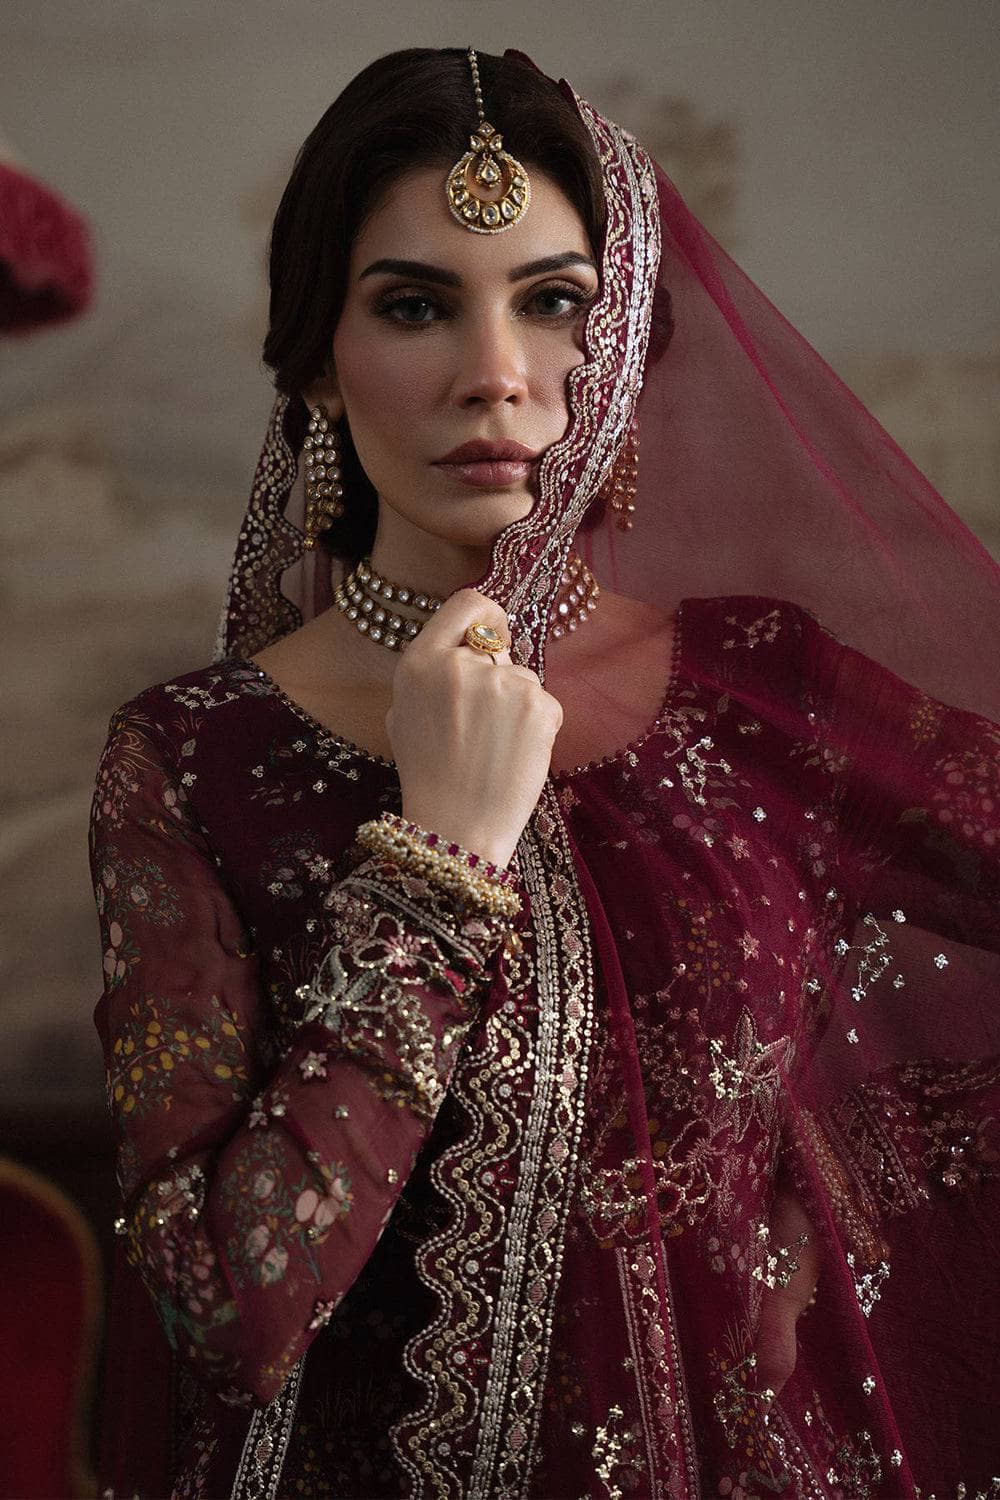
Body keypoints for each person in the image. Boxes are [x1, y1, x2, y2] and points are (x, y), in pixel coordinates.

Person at [89, 47, 1000, 1499]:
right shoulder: (201, 754)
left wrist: (830, 1201)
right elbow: (224, 1310)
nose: (497, 374)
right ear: (318, 353)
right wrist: (439, 861)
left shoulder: (765, 691)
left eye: (558, 302)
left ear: (630, 331)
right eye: (413, 305)